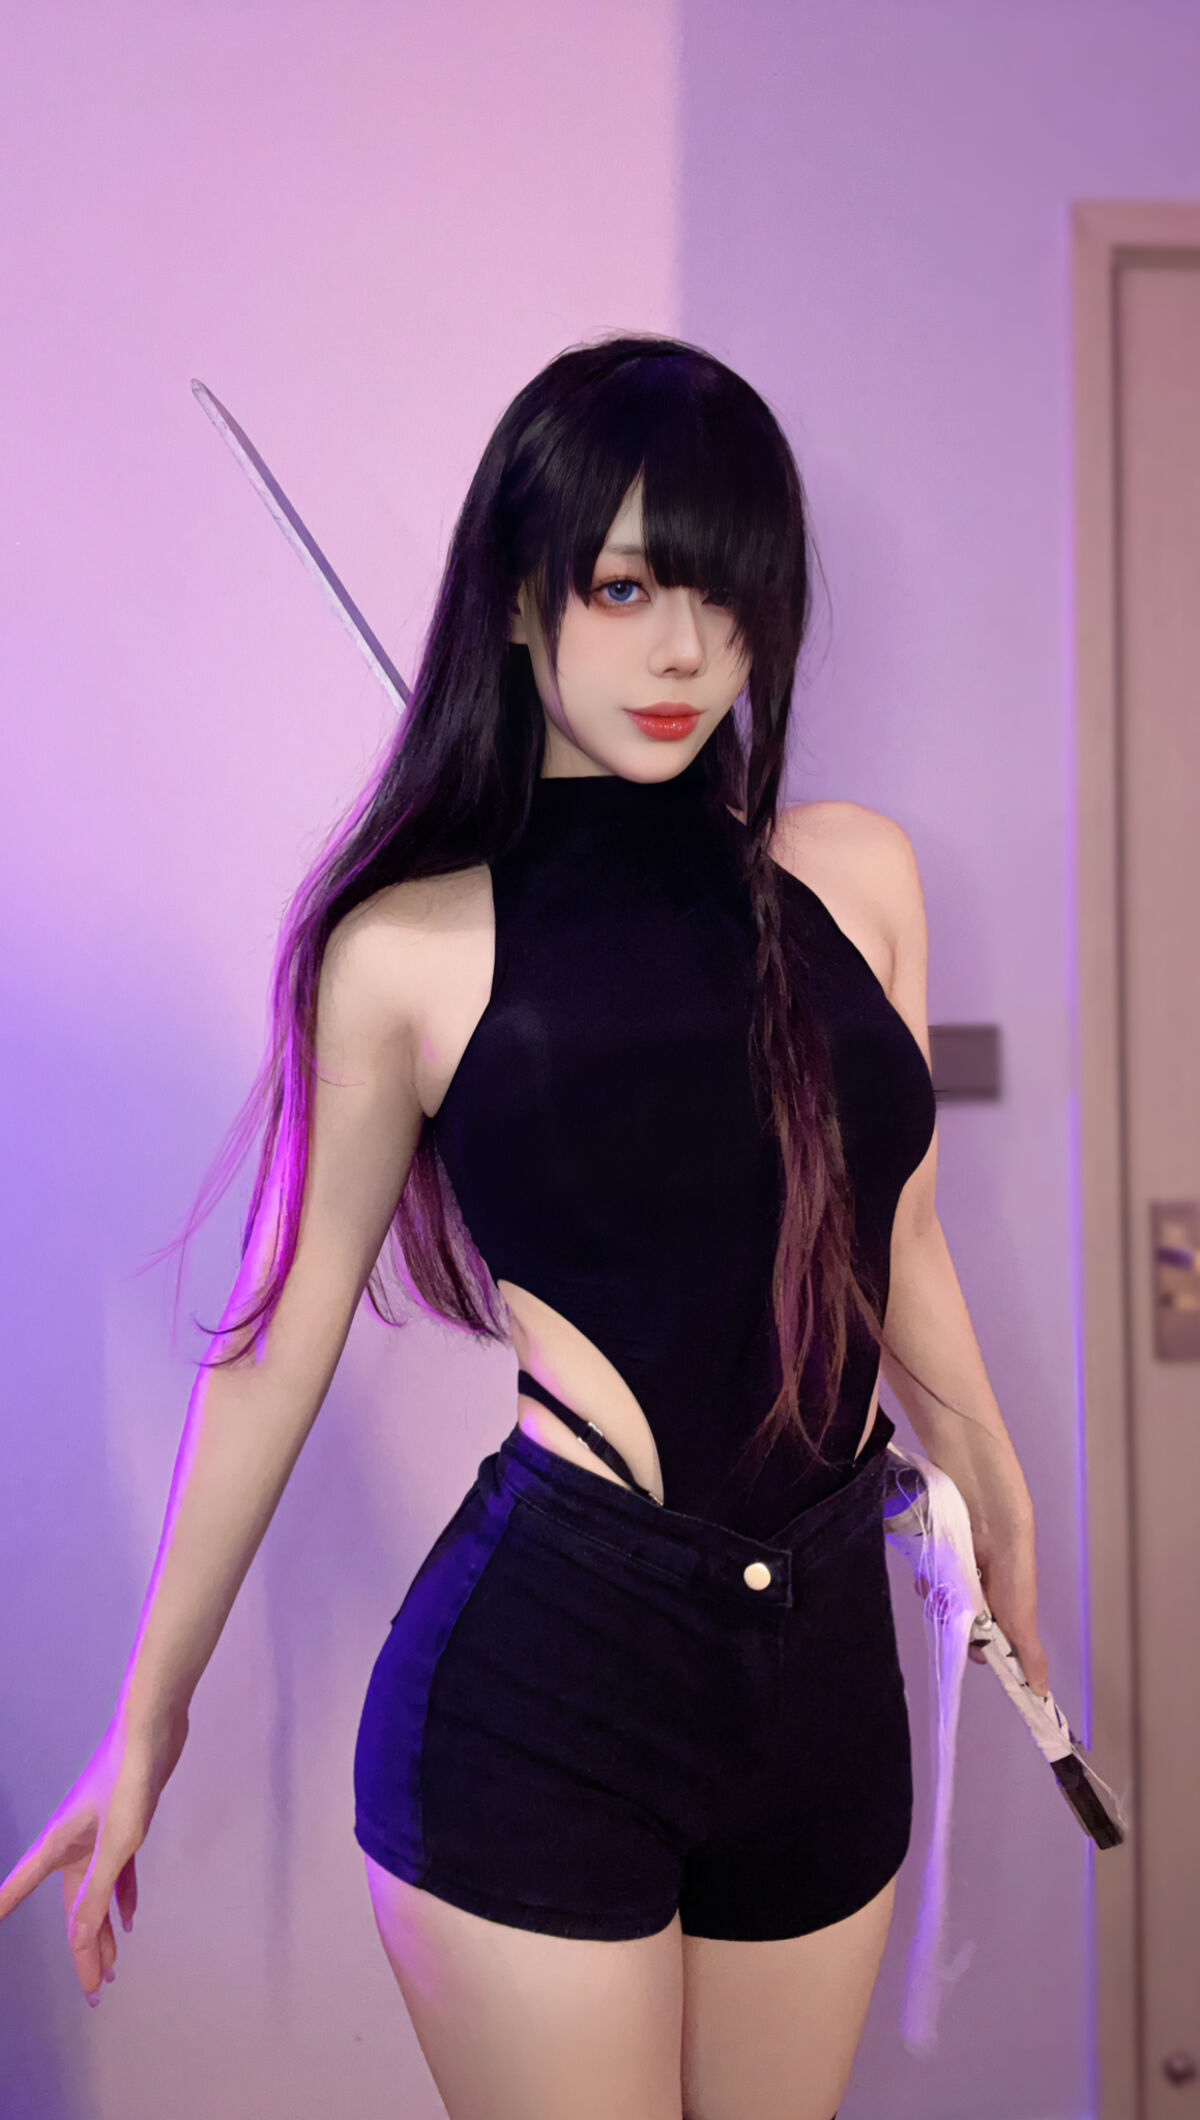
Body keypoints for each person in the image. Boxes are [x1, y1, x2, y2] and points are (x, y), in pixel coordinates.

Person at [0, 334, 1049, 2120]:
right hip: (551, 1678)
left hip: (827, 1671)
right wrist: (147, 1716)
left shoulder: (857, 876)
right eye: (625, 587)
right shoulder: (406, 953)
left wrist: (1003, 1507)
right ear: (513, 593)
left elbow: (902, 1246)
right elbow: (273, 1355)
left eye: (725, 596)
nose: (684, 651)